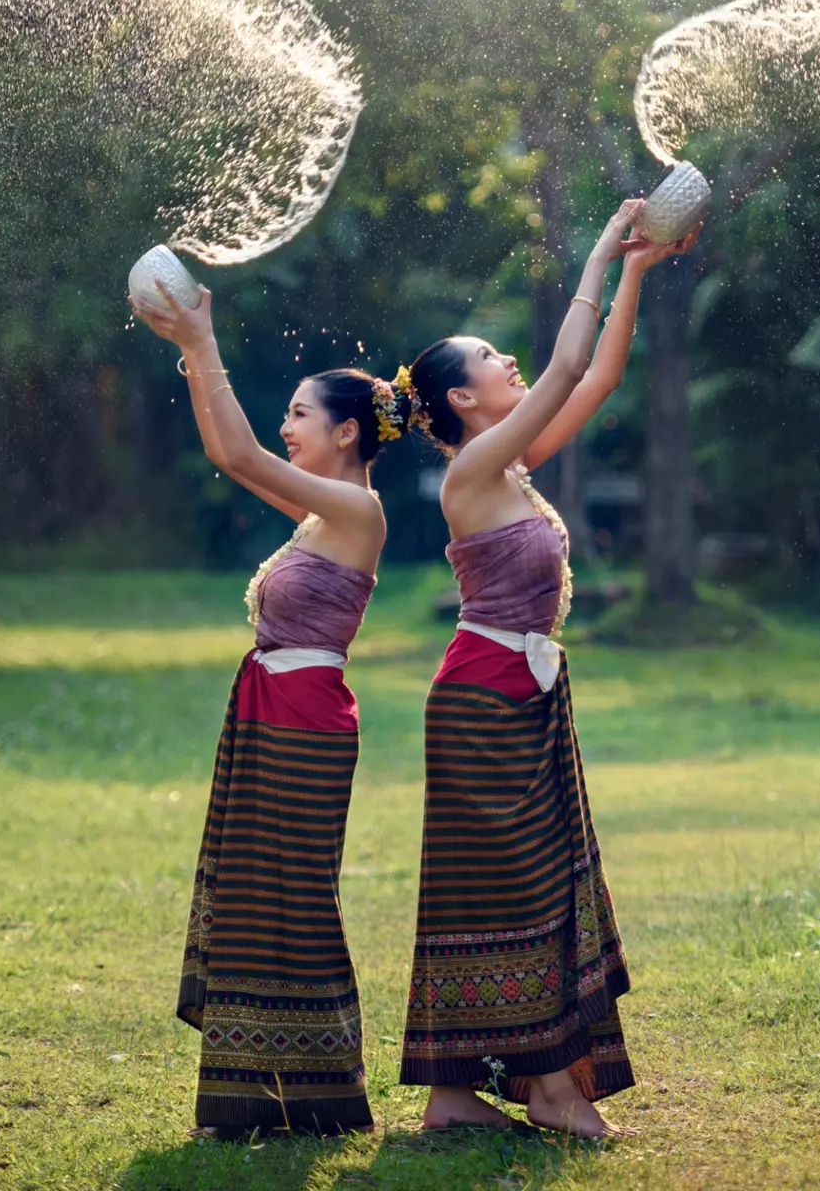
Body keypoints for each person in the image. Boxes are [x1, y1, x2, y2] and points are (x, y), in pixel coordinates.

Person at [396, 198, 699, 1137]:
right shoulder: (472, 472)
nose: (510, 362)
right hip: (483, 701)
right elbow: (565, 365)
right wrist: (601, 249)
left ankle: (456, 1094)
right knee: (516, 891)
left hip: (515, 699)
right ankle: (551, 1092)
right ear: (460, 400)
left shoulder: (510, 463)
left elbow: (597, 375)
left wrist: (636, 272)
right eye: (491, 357)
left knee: (502, 891)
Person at [130, 281, 402, 1136]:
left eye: (299, 414)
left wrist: (203, 338)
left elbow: (246, 456)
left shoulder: (357, 510)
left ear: (346, 432)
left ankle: (322, 1094)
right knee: (255, 897)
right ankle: (250, 1094)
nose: (286, 426)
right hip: (270, 714)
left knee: (296, 900)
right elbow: (229, 453)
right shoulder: (319, 515)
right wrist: (189, 349)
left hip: (304, 723)